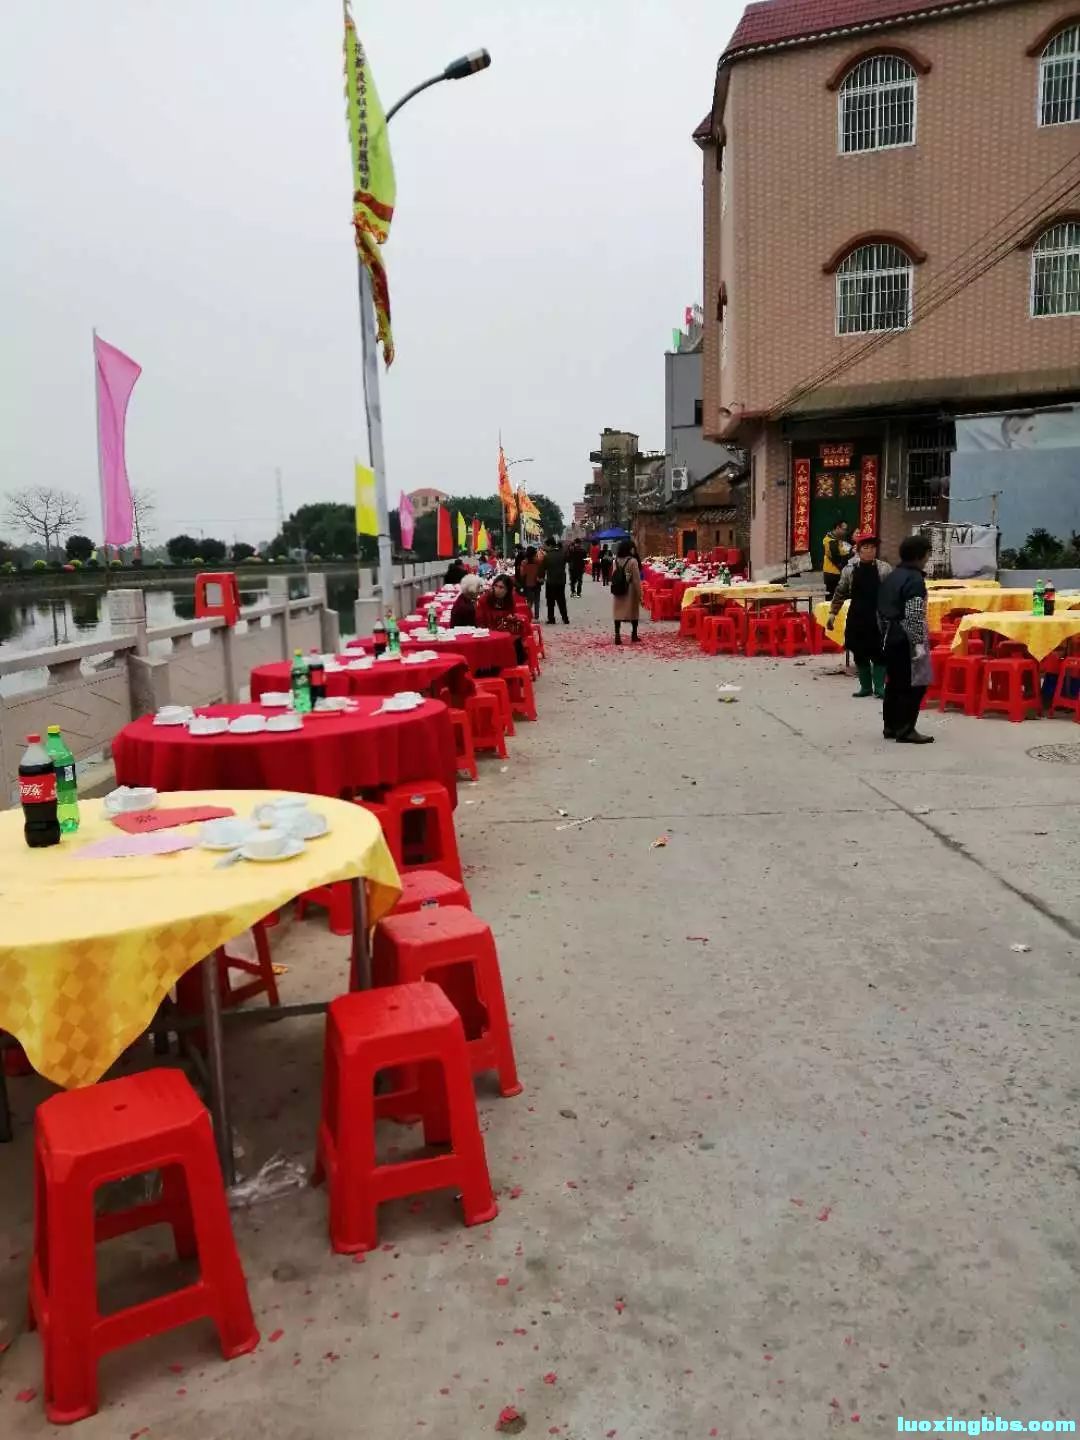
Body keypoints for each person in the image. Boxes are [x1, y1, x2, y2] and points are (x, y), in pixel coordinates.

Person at [877, 533, 934, 744]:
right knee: (914, 684)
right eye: (927, 554)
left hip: (889, 634)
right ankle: (906, 728)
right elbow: (914, 613)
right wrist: (917, 643)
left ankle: (890, 726)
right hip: (906, 637)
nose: (928, 558)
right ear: (920, 555)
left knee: (894, 683)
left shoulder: (892, 576)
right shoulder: (915, 579)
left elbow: (880, 610)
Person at [827, 531, 891, 699]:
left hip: (878, 617)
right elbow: (840, 592)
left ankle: (880, 687)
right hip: (857, 616)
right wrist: (833, 613)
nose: (870, 551)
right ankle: (865, 687)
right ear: (858, 550)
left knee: (879, 653)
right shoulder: (849, 570)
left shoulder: (884, 569)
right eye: (866, 547)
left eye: (873, 548)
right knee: (859, 652)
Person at [476, 572, 528, 664]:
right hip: (488, 633)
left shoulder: (509, 600)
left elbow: (513, 616)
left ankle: (516, 666)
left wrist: (512, 618)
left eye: (501, 587)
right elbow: (480, 621)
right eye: (496, 586)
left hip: (505, 632)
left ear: (507, 590)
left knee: (517, 642)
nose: (497, 589)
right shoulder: (484, 599)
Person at [611, 539, 642, 644]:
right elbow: (636, 579)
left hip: (618, 589)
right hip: (630, 590)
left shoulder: (616, 560)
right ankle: (634, 634)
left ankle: (617, 635)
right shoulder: (633, 561)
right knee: (634, 612)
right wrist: (640, 594)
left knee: (617, 612)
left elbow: (614, 575)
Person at [542, 534, 569, 625]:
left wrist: (540, 577)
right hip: (561, 581)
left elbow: (543, 568)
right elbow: (567, 560)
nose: (545, 547)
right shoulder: (562, 553)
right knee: (561, 600)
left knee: (550, 601)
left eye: (545, 545)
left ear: (549, 545)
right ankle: (565, 618)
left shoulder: (547, 556)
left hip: (551, 581)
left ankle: (551, 618)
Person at [822, 519, 851, 600]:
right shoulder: (829, 541)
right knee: (832, 598)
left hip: (837, 572)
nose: (845, 531)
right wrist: (850, 554)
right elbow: (836, 558)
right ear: (837, 528)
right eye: (844, 529)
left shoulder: (837, 539)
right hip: (832, 573)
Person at [520, 545, 542, 619]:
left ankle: (528, 615)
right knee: (537, 600)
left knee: (529, 601)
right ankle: (536, 616)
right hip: (537, 583)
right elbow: (541, 571)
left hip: (528, 583)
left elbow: (522, 574)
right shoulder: (538, 561)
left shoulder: (524, 562)